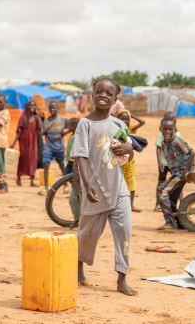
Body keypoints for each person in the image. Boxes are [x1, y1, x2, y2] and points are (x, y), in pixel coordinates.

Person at [73, 77, 136, 296]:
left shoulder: (119, 125)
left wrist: (128, 149)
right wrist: (87, 184)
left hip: (119, 190)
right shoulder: (85, 124)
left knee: (124, 232)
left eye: (109, 94)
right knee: (87, 233)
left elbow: (126, 157)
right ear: (92, 95)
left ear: (115, 99)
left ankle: (122, 279)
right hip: (96, 191)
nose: (103, 96)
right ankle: (78, 268)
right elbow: (80, 156)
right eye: (99, 92)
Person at [155, 117, 195, 231]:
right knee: (172, 196)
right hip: (177, 172)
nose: (167, 132)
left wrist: (186, 171)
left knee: (162, 190)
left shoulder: (177, 141)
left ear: (175, 130)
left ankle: (170, 221)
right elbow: (171, 162)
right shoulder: (163, 144)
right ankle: (180, 222)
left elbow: (192, 153)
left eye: (170, 129)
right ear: (160, 129)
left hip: (182, 172)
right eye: (165, 129)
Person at [115, 109, 145, 212]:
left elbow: (142, 122)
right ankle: (117, 205)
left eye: (126, 119)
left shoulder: (130, 129)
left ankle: (131, 205)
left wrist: (131, 114)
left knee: (132, 183)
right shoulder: (114, 129)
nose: (124, 121)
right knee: (117, 183)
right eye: (121, 118)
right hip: (117, 161)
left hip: (130, 161)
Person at [40, 100, 71, 195]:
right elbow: (44, 132)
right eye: (50, 108)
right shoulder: (46, 120)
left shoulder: (63, 119)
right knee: (45, 164)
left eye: (54, 107)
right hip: (48, 146)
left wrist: (65, 133)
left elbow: (72, 126)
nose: (52, 109)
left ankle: (65, 185)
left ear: (57, 108)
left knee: (62, 166)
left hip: (59, 147)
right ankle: (46, 187)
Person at [11, 101, 42, 187]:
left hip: (33, 143)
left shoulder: (36, 117)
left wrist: (38, 114)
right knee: (23, 159)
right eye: (30, 105)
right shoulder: (23, 118)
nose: (32, 107)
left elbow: (40, 127)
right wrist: (13, 143)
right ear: (27, 107)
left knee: (33, 160)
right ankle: (19, 177)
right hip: (24, 143)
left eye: (34, 105)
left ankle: (32, 181)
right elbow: (19, 132)